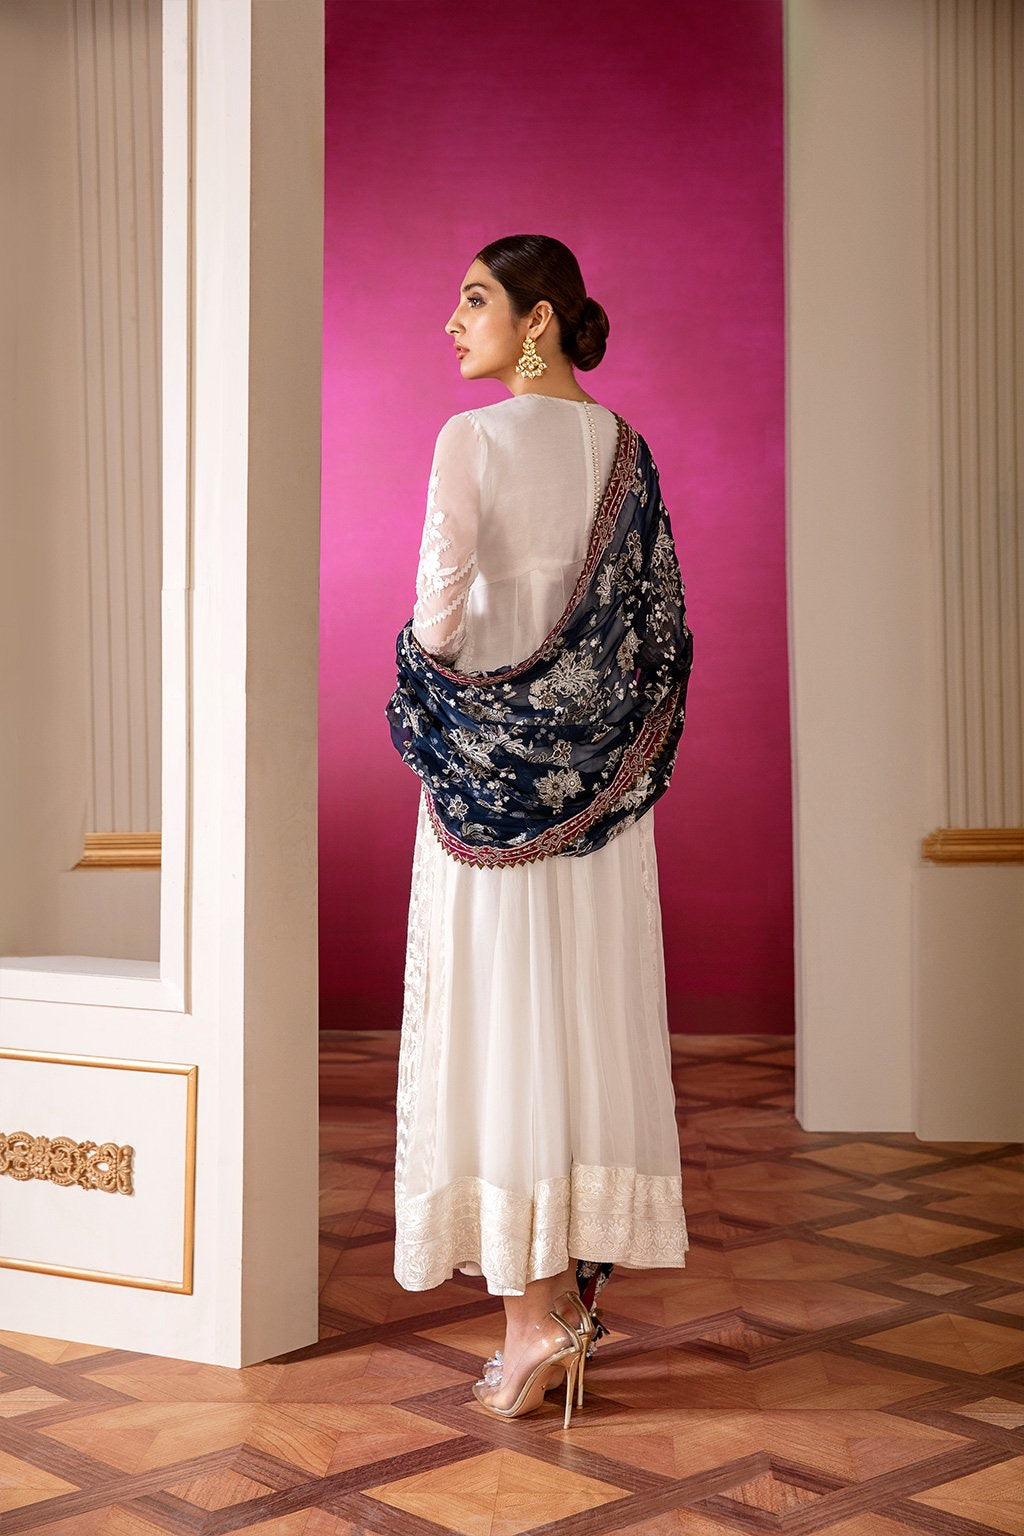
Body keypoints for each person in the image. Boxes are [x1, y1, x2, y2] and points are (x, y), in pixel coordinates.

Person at [386, 234, 693, 1427]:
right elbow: (659, 633)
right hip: (600, 801)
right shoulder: (627, 451)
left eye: (474, 299)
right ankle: (562, 1305)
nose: (452, 321)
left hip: (484, 793)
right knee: (575, 1022)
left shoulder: (470, 440)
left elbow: (437, 621)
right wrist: (581, 725)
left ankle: (530, 1326)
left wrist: (454, 699)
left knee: (495, 1021)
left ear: (538, 320)